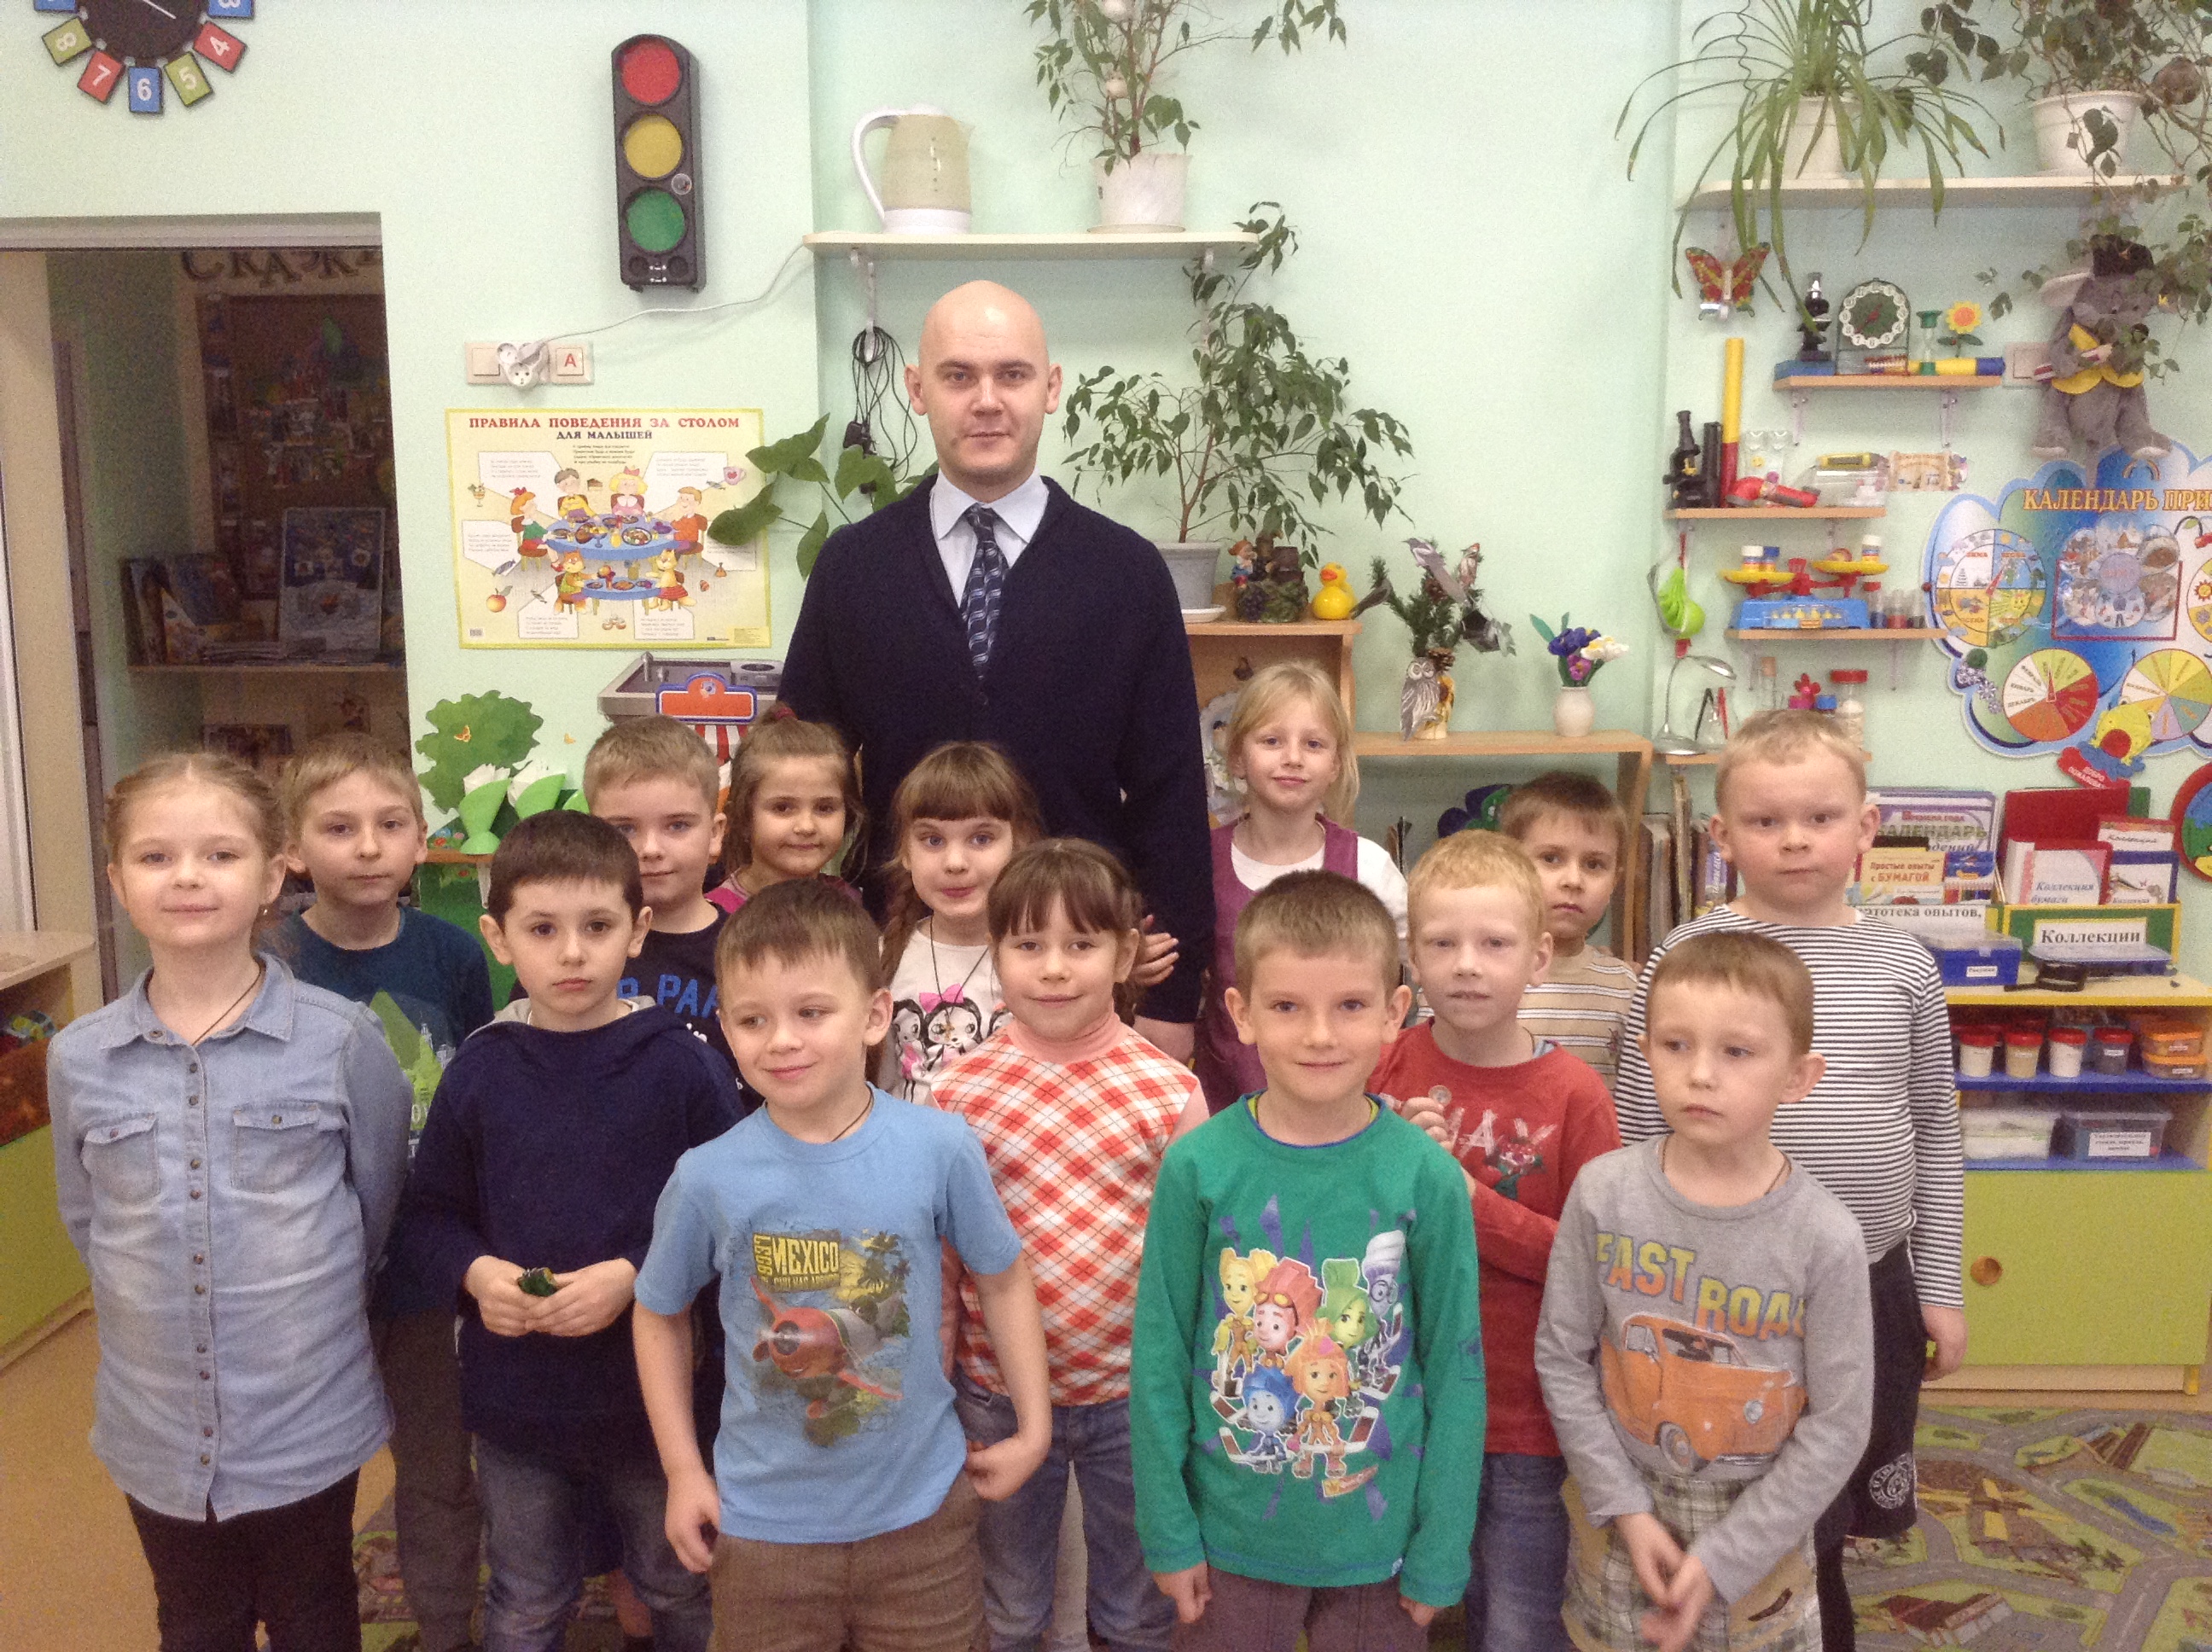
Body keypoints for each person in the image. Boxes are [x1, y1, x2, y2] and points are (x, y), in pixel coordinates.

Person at [778, 279, 1210, 1060]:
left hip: (1079, 972)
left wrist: (1172, 997)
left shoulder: (1127, 573)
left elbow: (1170, 791)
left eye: (1012, 375)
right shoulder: (853, 568)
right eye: (958, 376)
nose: (986, 401)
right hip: (896, 971)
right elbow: (800, 770)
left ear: (1051, 388)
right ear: (917, 389)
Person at [1610, 710, 1962, 1652]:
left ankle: (1811, 1616)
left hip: (1871, 1281)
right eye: (1765, 821)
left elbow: (1936, 1129)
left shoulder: (1905, 965)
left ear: (1867, 826)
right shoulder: (1683, 957)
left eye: (1820, 816)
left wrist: (1939, 1286)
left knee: (1829, 1496)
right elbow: (1637, 1123)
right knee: (1721, 1478)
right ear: (1721, 836)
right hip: (1719, 1291)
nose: (1795, 839)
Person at [632, 877, 1053, 1652]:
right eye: (753, 1020)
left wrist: (1035, 1424)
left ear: (874, 1015)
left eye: (811, 1012)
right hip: (763, 1530)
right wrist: (683, 1471)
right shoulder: (706, 1176)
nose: (781, 1041)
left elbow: (1002, 1278)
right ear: (725, 1028)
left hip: (922, 1521)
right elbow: (658, 1313)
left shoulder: (939, 1146)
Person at [49, 753, 412, 1651]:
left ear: (273, 874)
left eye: (219, 854)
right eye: (155, 857)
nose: (187, 877)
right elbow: (90, 1220)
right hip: (156, 1424)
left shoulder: (341, 1040)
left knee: (314, 1613)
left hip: (306, 1415)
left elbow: (376, 1210)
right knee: (195, 1621)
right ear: (117, 882)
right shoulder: (79, 1057)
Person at [398, 811, 744, 1652]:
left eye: (597, 927)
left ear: (638, 930)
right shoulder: (481, 1068)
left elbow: (737, 1211)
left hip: (655, 1406)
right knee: (525, 1598)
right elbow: (428, 1216)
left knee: (678, 1583)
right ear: (499, 938)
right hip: (517, 1409)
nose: (573, 953)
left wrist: (637, 1274)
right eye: (543, 930)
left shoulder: (681, 1064)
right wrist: (477, 1274)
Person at [1132, 871, 1485, 1652]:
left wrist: (1442, 1546)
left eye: (1350, 1006)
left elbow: (1456, 1370)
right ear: (1241, 1013)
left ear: (1395, 1012)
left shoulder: (1427, 1177)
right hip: (1227, 1541)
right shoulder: (1197, 1166)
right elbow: (1159, 1357)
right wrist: (1168, 1530)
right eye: (1288, 1006)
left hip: (1381, 1545)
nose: (1320, 1035)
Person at [1536, 932, 1874, 1652]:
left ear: (1798, 1076)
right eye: (1675, 1045)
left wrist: (1729, 1554)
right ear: (1644, 1053)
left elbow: (1840, 1423)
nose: (1699, 1074)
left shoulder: (1826, 1236)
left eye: (1737, 1052)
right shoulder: (1602, 1193)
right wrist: (1623, 1507)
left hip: (1765, 1525)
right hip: (1620, 1506)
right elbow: (1563, 1357)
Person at [934, 840, 1206, 1652]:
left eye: (1080, 945)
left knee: (1136, 1611)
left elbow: (1197, 1267)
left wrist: (1186, 1397)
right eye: (1028, 944)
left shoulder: (1170, 1090)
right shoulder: (955, 1093)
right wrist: (934, 1391)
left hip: (1134, 1399)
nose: (1053, 968)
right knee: (1011, 1608)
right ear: (996, 954)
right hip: (995, 1394)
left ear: (1124, 956)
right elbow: (940, 1267)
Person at [274, 731, 496, 1652]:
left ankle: (445, 1632)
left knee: (439, 1467)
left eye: (390, 824)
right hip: (307, 1269)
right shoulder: (273, 959)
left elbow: (481, 1092)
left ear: (419, 839)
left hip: (423, 1265)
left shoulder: (452, 953)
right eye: (339, 827)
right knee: (306, 1475)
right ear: (292, 849)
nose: (368, 847)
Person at [1374, 831, 1620, 1652]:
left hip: (1524, 1412)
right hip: (1400, 1400)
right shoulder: (1383, 1070)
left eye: (1495, 944)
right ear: (1413, 958)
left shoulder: (1575, 1093)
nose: (1467, 966)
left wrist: (1466, 1199)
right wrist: (1389, 1161)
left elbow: (1594, 1264)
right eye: (1442, 944)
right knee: (1394, 1606)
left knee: (1517, 1619)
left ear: (1539, 957)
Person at [1196, 660, 1408, 1113]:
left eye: (1313, 744)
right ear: (1238, 757)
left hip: (1346, 1105)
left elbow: (1413, 967)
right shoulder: (1199, 863)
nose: (1292, 758)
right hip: (1229, 1104)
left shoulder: (1368, 866)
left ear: (1335, 764)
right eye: (1272, 741)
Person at [587, 713, 739, 1066]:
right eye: (625, 829)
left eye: (678, 825)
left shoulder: (753, 951)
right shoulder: (570, 951)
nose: (651, 849)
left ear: (715, 834)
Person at [1498, 773, 1637, 1088]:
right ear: (1509, 865)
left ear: (1615, 880)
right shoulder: (1480, 975)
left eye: (1594, 864)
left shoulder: (1625, 987)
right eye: (1551, 858)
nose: (1573, 880)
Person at [707, 716, 861, 916]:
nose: (806, 827)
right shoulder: (714, 916)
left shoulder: (850, 904)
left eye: (825, 808)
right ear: (743, 817)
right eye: (782, 808)